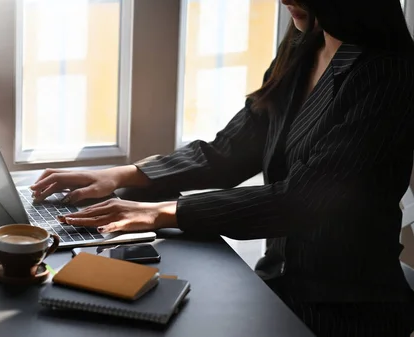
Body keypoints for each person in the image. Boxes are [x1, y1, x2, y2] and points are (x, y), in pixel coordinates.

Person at [30, 0, 414, 335]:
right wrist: (122, 175)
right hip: (277, 284)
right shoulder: (305, 42)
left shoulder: (386, 76)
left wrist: (161, 212)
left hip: (342, 309)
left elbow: (302, 201)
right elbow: (230, 151)